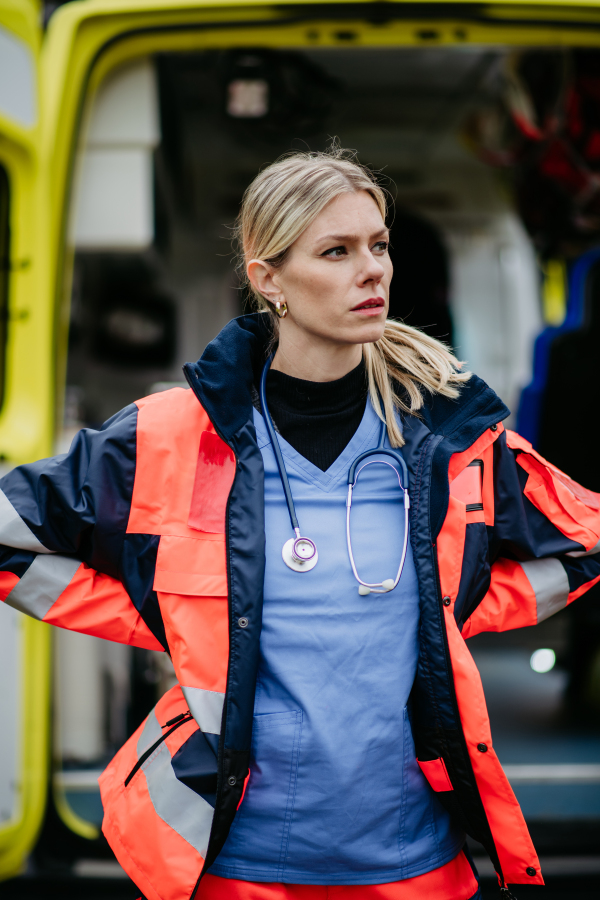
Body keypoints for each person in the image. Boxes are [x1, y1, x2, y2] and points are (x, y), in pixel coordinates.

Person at [1, 147, 599, 900]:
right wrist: (177, 620)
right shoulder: (164, 437)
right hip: (237, 869)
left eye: (379, 245)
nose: (373, 268)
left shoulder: (455, 444)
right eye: (337, 251)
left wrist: (457, 606)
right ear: (269, 280)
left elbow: (587, 541)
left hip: (417, 866)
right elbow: (7, 537)